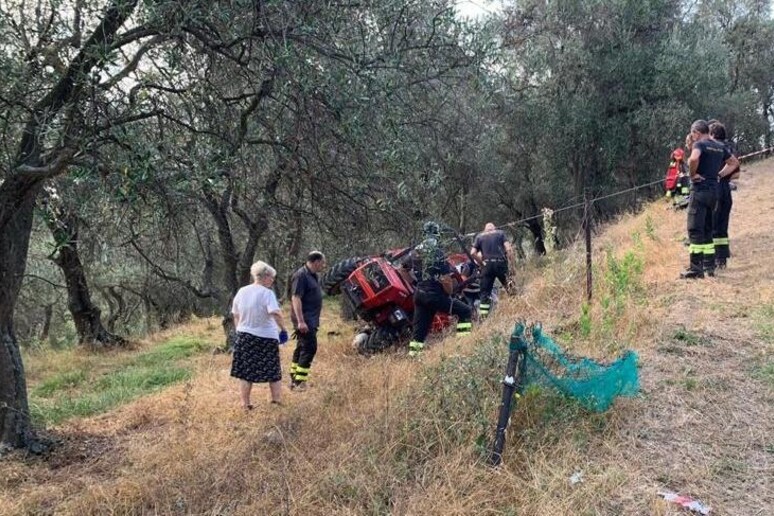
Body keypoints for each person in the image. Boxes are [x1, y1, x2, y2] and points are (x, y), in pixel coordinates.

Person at [681, 120, 739, 279]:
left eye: (693, 134)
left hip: (700, 191)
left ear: (696, 133)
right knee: (708, 229)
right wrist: (719, 175)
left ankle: (695, 269)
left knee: (694, 229)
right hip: (714, 192)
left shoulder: (700, 144)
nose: (692, 137)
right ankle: (709, 266)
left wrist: (693, 175)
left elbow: (693, 159)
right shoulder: (720, 146)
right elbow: (734, 163)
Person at [406, 221, 472, 357]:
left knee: (418, 333)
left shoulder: (415, 252)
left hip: (419, 295)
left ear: (424, 234)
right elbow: (445, 279)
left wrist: (414, 282)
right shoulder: (437, 252)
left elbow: (402, 269)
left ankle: (413, 357)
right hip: (434, 295)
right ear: (437, 234)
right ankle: (464, 346)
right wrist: (449, 292)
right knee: (465, 311)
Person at [230, 261, 289, 410]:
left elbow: (235, 314)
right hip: (266, 338)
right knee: (273, 370)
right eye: (272, 277)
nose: (273, 280)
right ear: (265, 276)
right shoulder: (267, 293)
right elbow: (275, 313)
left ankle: (245, 404)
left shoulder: (242, 291)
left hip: (244, 337)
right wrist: (283, 329)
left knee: (246, 373)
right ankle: (276, 401)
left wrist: (240, 330)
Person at [289, 251, 326, 389]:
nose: (323, 265)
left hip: (310, 318)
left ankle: (294, 378)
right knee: (310, 347)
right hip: (305, 319)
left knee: (301, 347)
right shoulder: (301, 275)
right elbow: (296, 298)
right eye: (322, 262)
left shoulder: (312, 276)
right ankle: (300, 382)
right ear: (316, 262)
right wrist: (300, 321)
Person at [709, 121, 740, 269]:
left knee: (712, 225)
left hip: (714, 188)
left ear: (713, 134)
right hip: (726, 189)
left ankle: (712, 259)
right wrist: (724, 177)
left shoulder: (712, 148)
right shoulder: (730, 149)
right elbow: (737, 174)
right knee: (723, 225)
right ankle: (722, 259)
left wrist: (717, 175)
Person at [470, 223, 514, 318]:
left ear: (485, 230)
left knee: (484, 294)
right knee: (510, 288)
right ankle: (516, 309)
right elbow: (509, 249)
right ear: (494, 228)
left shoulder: (479, 237)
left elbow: (472, 253)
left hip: (487, 266)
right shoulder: (500, 233)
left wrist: (481, 263)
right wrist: (512, 266)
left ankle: (484, 316)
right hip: (500, 263)